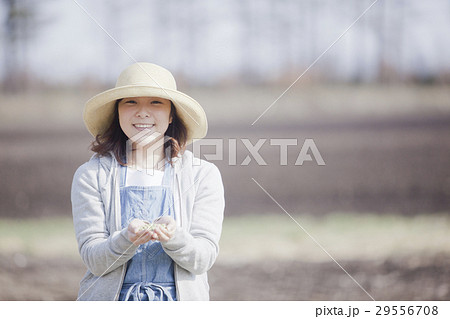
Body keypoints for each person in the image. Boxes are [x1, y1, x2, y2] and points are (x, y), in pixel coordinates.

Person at [71, 62, 225, 301]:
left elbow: (202, 259)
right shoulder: (91, 175)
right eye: (130, 102)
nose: (142, 112)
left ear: (172, 113)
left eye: (156, 102)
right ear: (117, 111)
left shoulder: (202, 175)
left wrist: (174, 237)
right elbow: (93, 259)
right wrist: (126, 239)